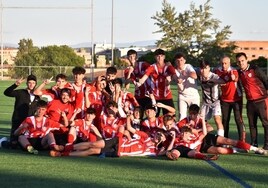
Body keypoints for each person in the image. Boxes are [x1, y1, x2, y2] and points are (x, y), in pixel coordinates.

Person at [49, 125, 167, 158]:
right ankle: (66, 148)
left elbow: (166, 152)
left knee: (92, 151)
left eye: (160, 136)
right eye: (158, 133)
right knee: (94, 144)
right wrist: (129, 117)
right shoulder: (146, 136)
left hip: (119, 152)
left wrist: (167, 140)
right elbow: (130, 128)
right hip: (119, 141)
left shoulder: (154, 150)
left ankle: (63, 154)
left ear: (163, 140)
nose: (158, 136)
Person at [236, 52, 268, 149]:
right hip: (250, 103)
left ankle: (267, 144)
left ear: (247, 60)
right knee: (252, 124)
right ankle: (254, 144)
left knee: (265, 123)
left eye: (242, 61)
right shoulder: (239, 73)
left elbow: (266, 81)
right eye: (239, 62)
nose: (241, 63)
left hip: (262, 101)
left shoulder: (255, 69)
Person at [214, 56, 246, 141]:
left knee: (238, 120)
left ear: (229, 63)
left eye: (226, 63)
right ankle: (225, 140)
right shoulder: (217, 71)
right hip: (224, 100)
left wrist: (233, 78)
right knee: (225, 120)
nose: (224, 65)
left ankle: (241, 141)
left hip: (236, 99)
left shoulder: (233, 70)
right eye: (222, 63)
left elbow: (235, 78)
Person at [3, 74, 40, 148]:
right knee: (13, 145)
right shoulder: (20, 92)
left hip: (29, 123)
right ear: (26, 83)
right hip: (18, 120)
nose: (31, 85)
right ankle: (2, 142)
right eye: (29, 83)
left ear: (35, 84)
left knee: (26, 144)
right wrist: (15, 85)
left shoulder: (37, 96)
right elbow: (6, 93)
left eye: (33, 83)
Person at [137, 49, 176, 116]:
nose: (160, 58)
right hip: (155, 97)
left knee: (170, 116)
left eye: (161, 56)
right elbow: (145, 76)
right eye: (158, 56)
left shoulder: (169, 66)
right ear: (155, 57)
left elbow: (175, 76)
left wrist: (174, 80)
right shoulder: (152, 67)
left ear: (164, 57)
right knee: (153, 117)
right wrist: (141, 81)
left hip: (166, 96)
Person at [198, 60, 226, 137]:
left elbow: (223, 81)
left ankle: (221, 140)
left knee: (217, 119)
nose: (204, 70)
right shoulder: (200, 76)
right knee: (201, 121)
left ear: (209, 68)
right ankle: (202, 139)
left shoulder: (214, 76)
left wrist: (212, 80)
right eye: (202, 68)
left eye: (205, 68)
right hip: (205, 102)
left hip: (215, 102)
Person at [124, 49, 152, 118]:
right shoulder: (127, 70)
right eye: (130, 56)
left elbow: (152, 68)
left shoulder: (143, 65)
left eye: (133, 56)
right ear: (127, 58)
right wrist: (129, 73)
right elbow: (127, 86)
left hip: (148, 94)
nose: (132, 58)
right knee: (138, 116)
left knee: (150, 114)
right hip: (138, 95)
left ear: (136, 57)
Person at [172, 52, 200, 121]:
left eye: (181, 60)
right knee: (182, 117)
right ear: (175, 62)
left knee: (194, 116)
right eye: (177, 61)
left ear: (185, 60)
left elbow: (195, 76)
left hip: (193, 96)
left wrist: (186, 73)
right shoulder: (175, 70)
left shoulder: (188, 66)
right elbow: (175, 78)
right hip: (182, 96)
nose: (180, 62)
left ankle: (194, 131)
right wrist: (178, 80)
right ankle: (183, 131)